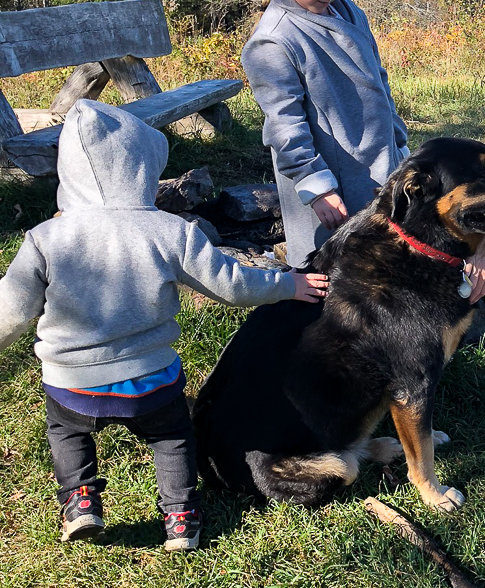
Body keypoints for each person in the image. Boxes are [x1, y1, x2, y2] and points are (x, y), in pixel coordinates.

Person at [0, 100, 329, 548]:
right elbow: (231, 285)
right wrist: (287, 285)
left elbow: (12, 308)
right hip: (152, 380)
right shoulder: (170, 230)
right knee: (173, 437)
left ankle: (80, 502)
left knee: (66, 431)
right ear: (142, 169)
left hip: (73, 382)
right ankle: (180, 518)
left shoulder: (46, 238)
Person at [242, 0, 485, 295]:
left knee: (387, 261)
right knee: (333, 273)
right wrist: (318, 188)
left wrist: (398, 142)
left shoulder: (349, 14)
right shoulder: (274, 42)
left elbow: (378, 83)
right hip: (331, 186)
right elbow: (284, 125)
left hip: (382, 163)